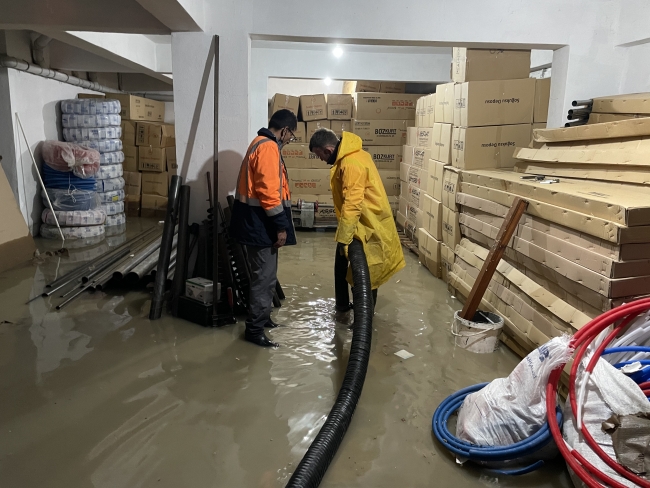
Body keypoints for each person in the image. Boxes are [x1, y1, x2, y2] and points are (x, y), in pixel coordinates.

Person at [309, 128, 405, 314]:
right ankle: (347, 308)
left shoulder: (350, 164)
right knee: (363, 271)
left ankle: (364, 321)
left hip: (370, 224)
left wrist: (344, 239)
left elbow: (352, 204)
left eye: (319, 155)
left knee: (367, 274)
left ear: (328, 150)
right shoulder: (353, 155)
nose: (320, 159)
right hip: (364, 222)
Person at [230, 109, 298, 348]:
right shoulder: (268, 147)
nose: (290, 141)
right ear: (285, 130)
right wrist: (281, 227)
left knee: (265, 277)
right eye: (291, 136)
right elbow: (269, 194)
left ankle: (264, 317)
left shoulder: (258, 143)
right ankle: (254, 330)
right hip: (261, 225)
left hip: (254, 222)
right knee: (264, 278)